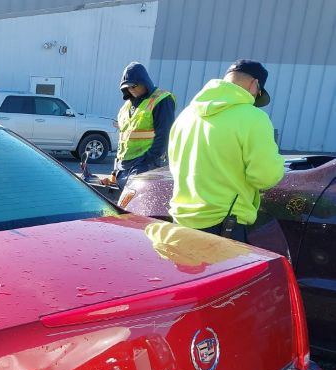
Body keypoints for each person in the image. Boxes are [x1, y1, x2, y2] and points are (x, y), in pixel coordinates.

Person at [168, 60, 285, 243]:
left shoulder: (186, 116)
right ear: (255, 84)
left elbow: (175, 166)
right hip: (224, 226)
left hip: (180, 222)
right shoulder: (254, 118)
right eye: (258, 94)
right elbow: (265, 176)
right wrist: (278, 163)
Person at [101, 62, 175, 189]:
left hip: (146, 165)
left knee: (137, 204)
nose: (131, 90)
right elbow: (123, 139)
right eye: (127, 87)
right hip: (124, 166)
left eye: (134, 86)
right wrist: (115, 170)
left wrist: (147, 161)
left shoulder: (161, 100)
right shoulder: (126, 107)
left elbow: (164, 135)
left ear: (144, 81)